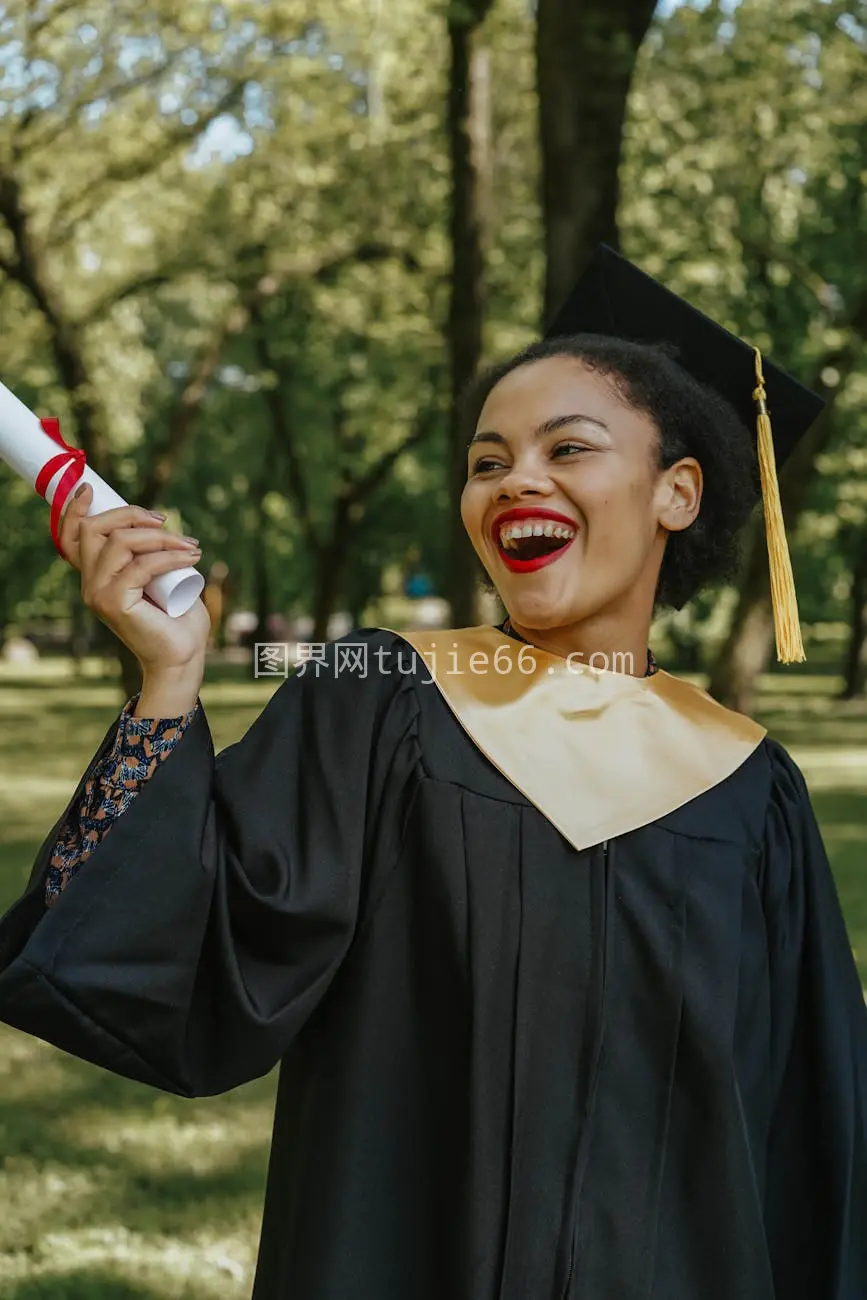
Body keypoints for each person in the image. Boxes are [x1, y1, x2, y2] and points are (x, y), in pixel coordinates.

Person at [0, 246, 865, 1300]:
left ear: (678, 491)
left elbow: (810, 1140)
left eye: (568, 447)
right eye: (488, 460)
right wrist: (170, 678)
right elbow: (192, 963)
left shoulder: (747, 789)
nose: (517, 482)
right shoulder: (383, 695)